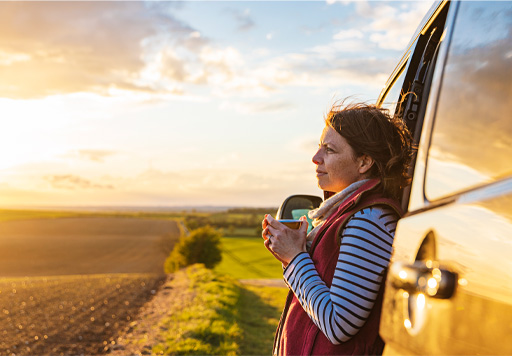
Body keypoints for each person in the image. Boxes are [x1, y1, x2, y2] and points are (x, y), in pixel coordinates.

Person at [262, 102, 413, 355]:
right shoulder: (351, 213)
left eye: (329, 150)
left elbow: (339, 324)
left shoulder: (369, 219)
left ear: (364, 162)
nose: (315, 158)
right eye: (319, 146)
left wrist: (294, 257)